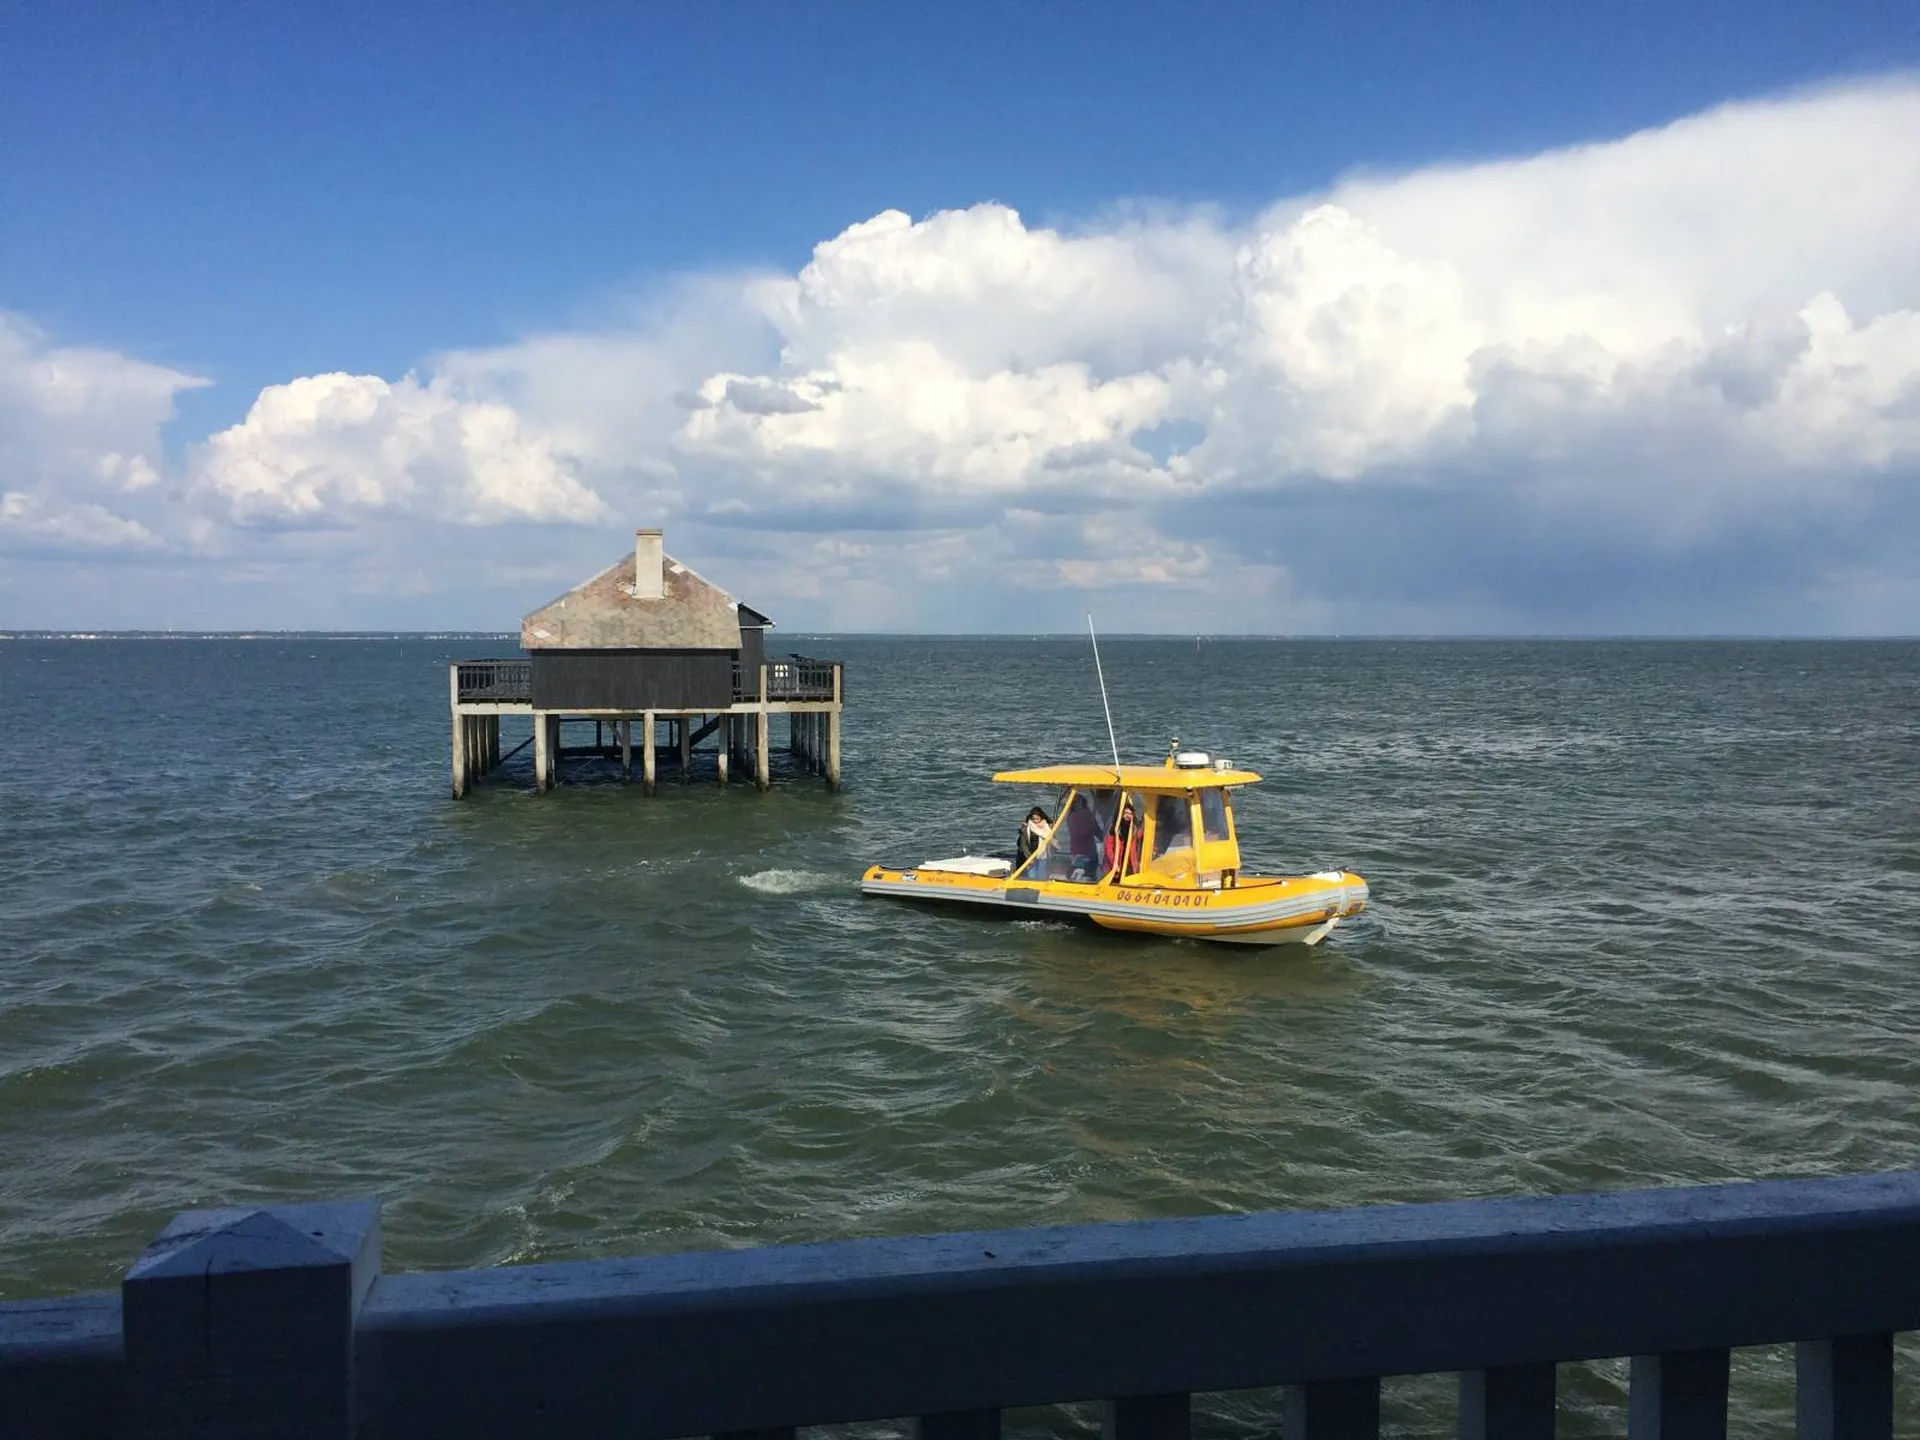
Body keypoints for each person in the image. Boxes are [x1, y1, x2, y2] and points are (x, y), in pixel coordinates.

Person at [1104, 798, 1142, 881]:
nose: (1128, 815)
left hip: (1129, 863)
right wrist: (1114, 863)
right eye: (1125, 813)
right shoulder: (1115, 828)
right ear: (1121, 814)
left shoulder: (1135, 828)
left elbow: (1141, 838)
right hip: (1117, 862)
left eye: (1130, 814)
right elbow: (1109, 848)